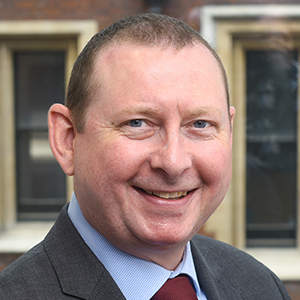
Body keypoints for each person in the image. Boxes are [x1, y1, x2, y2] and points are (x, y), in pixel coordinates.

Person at [0, 13, 291, 300]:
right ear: (67, 140)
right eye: (137, 123)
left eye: (200, 124)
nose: (174, 162)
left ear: (229, 131)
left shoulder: (260, 286)